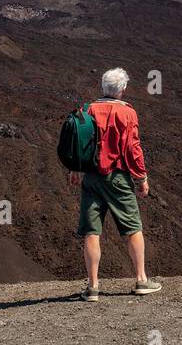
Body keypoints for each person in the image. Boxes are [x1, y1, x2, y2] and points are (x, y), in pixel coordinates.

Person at [68, 67, 160, 301]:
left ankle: (93, 287)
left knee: (91, 231)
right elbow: (133, 148)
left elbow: (79, 142)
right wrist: (141, 178)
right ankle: (141, 280)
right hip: (118, 178)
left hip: (91, 177)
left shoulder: (87, 110)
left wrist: (76, 168)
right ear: (122, 90)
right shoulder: (128, 113)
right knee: (133, 228)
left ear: (103, 87)